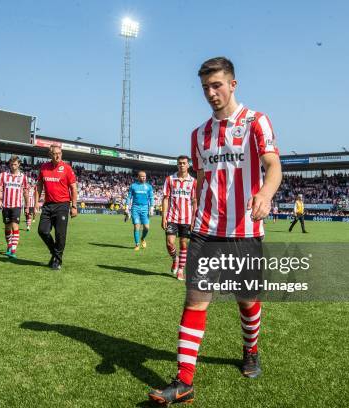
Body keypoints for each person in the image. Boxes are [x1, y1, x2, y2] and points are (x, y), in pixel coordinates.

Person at [148, 57, 282, 405]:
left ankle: (251, 350)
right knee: (195, 300)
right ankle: (184, 381)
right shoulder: (198, 134)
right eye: (206, 87)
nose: (211, 93)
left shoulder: (256, 122)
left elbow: (274, 167)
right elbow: (204, 180)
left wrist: (265, 194)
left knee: (246, 299)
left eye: (217, 85)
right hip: (205, 230)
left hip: (245, 229)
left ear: (233, 84)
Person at [35, 145, 78, 270]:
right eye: (55, 153)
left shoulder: (67, 169)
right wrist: (35, 203)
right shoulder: (44, 168)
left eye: (59, 153)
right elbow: (39, 186)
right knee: (42, 231)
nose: (58, 155)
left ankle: (57, 260)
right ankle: (55, 253)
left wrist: (74, 206)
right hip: (48, 205)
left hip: (62, 205)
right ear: (50, 155)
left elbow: (73, 188)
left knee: (60, 235)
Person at [161, 155, 197, 280]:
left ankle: (181, 270)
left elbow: (194, 201)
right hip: (172, 217)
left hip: (186, 218)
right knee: (170, 243)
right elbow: (165, 199)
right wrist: (164, 217)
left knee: (183, 244)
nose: (182, 165)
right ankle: (175, 258)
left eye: (184, 163)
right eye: (179, 163)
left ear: (188, 165)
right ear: (177, 164)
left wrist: (193, 219)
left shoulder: (193, 181)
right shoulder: (170, 179)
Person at [0, 156, 30, 259]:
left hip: (17, 206)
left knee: (15, 227)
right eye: (11, 164)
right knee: (7, 227)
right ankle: (9, 246)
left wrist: (27, 206)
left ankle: (13, 251)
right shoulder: (3, 175)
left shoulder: (23, 177)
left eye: (15, 164)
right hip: (6, 205)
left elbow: (25, 192)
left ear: (19, 164)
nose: (13, 166)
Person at [125, 171, 154, 250]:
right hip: (135, 208)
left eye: (144, 176)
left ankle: (143, 238)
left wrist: (151, 208)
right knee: (136, 226)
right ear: (138, 177)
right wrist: (127, 207)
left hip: (145, 208)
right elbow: (129, 197)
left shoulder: (149, 187)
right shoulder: (133, 186)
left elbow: (151, 198)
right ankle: (137, 244)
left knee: (146, 228)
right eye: (142, 176)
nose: (143, 178)